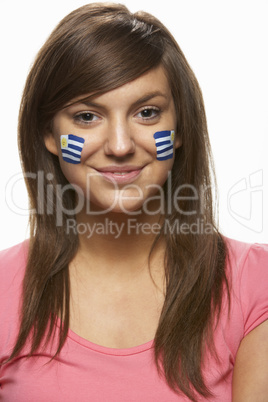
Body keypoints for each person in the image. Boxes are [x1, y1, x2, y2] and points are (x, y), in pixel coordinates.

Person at [0, 3, 267, 401]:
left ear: (178, 129)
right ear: (49, 134)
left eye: (147, 112)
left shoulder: (253, 286)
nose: (121, 146)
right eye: (87, 116)